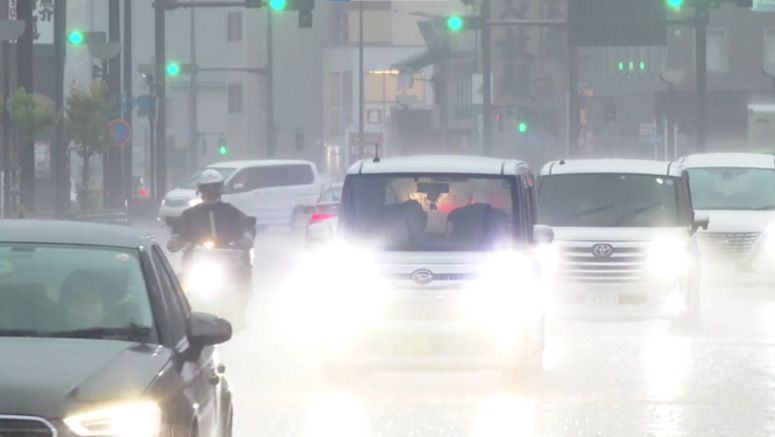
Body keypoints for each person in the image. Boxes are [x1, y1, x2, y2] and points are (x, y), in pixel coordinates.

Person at [168, 169, 255, 254]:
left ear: (220, 189)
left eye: (215, 187)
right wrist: (176, 239)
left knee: (244, 260)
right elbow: (180, 228)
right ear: (200, 189)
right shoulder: (190, 214)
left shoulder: (231, 212)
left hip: (228, 255)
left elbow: (246, 224)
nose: (210, 191)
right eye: (206, 188)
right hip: (197, 255)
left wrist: (246, 236)